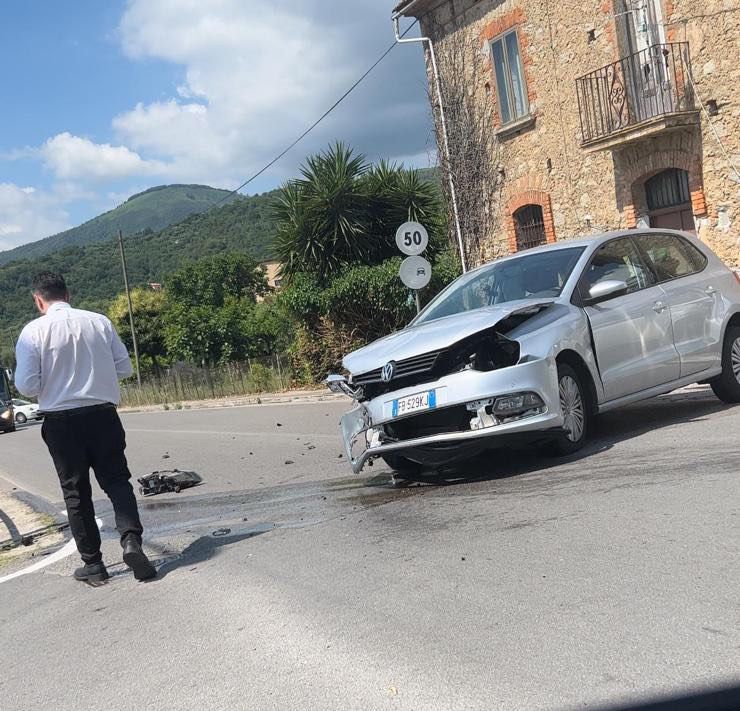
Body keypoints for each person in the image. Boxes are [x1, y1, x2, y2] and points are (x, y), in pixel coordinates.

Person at [14, 272, 156, 583]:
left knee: (76, 493)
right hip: (103, 415)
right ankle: (131, 540)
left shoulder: (33, 332)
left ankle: (94, 565)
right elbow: (124, 367)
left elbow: (26, 385)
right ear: (68, 294)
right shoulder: (98, 321)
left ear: (39, 300)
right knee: (117, 481)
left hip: (62, 422)